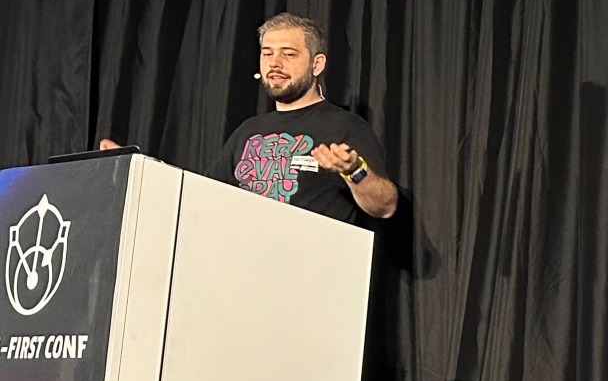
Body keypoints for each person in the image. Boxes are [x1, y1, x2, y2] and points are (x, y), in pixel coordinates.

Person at [100, 12, 398, 225]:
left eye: (288, 54)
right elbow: (202, 198)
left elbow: (385, 206)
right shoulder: (249, 130)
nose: (275, 63)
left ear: (316, 64)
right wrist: (140, 168)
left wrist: (354, 171)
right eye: (267, 53)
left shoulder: (345, 127)